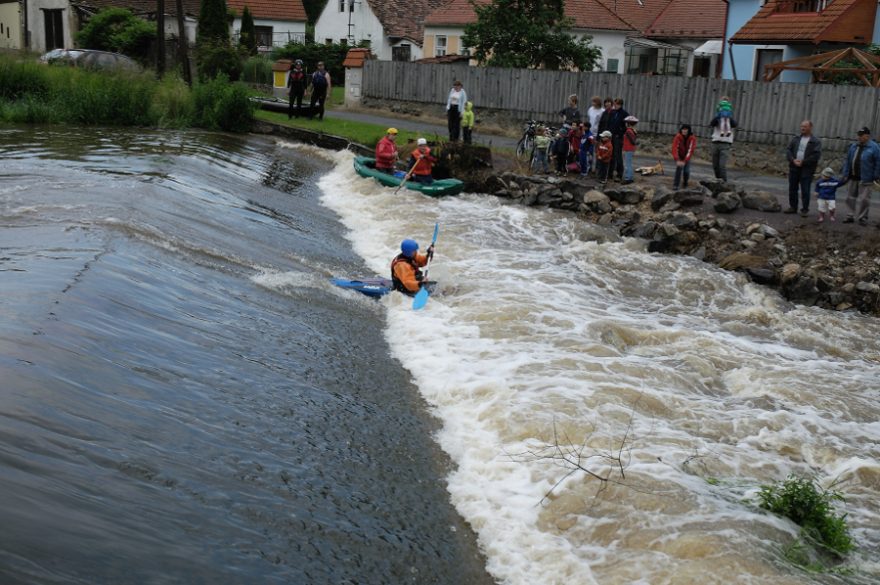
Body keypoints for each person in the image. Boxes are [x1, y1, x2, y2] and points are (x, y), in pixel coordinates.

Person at [841, 126, 880, 224]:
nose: (859, 137)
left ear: (867, 136)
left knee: (864, 199)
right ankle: (850, 215)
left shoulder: (874, 147)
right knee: (850, 197)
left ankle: (862, 218)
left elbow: (878, 162)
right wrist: (845, 173)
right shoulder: (854, 146)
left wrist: (876, 175)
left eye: (861, 135)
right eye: (858, 135)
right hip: (853, 176)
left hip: (866, 177)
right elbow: (848, 161)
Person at [784, 120, 822, 217]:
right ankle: (793, 207)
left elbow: (816, 155)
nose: (802, 128)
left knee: (805, 189)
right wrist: (793, 160)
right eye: (801, 126)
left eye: (805, 126)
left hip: (807, 169)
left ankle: (805, 209)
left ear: (810, 127)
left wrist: (803, 162)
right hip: (794, 167)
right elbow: (788, 150)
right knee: (792, 188)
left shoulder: (815, 141)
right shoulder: (796, 139)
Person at [602, 98, 628, 181]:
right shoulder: (613, 113)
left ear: (620, 105)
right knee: (611, 155)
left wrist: (621, 131)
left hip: (618, 137)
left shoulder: (624, 114)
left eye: (616, 104)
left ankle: (619, 174)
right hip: (611, 136)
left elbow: (627, 126)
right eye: (614, 104)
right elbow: (609, 123)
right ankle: (610, 173)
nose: (615, 106)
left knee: (618, 156)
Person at [709, 105, 737, 181]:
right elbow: (712, 123)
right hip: (715, 143)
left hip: (725, 144)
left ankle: (724, 182)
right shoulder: (717, 119)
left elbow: (734, 124)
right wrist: (718, 116)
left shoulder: (730, 120)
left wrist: (728, 116)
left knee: (722, 165)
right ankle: (718, 181)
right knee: (715, 165)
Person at [671, 124, 697, 190]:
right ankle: (675, 185)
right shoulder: (678, 137)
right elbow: (675, 148)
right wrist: (677, 159)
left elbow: (690, 150)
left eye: (686, 129)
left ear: (689, 130)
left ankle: (685, 182)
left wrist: (685, 161)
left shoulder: (692, 138)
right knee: (679, 169)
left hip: (687, 156)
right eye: (683, 129)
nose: (684, 131)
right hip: (679, 155)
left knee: (686, 171)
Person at [622, 115, 638, 184]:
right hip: (630, 149)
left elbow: (632, 141)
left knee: (627, 164)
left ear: (628, 123)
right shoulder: (633, 130)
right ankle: (630, 177)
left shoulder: (628, 131)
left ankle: (628, 178)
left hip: (628, 148)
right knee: (629, 163)